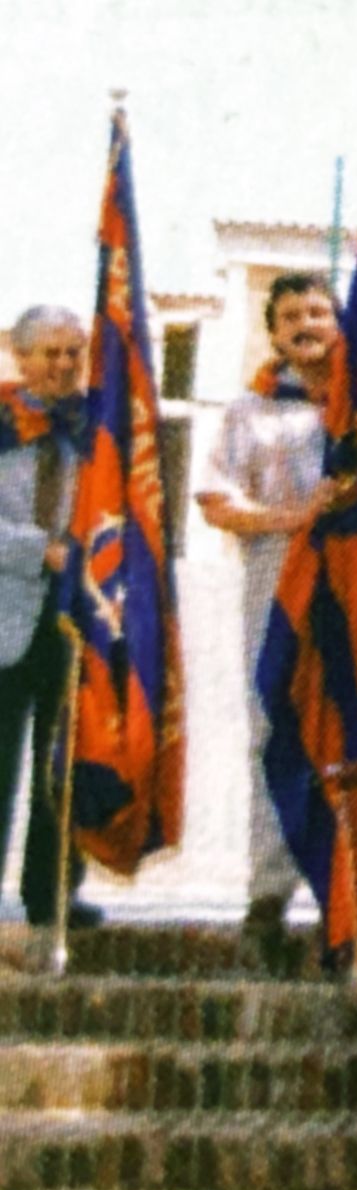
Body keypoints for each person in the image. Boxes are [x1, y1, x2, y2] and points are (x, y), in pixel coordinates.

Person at [196, 272, 342, 959]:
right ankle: (269, 893)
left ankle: (350, 901)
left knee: (355, 729)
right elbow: (217, 503)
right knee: (275, 730)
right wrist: (295, 518)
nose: (306, 324)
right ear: (274, 331)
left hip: (355, 594)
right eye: (291, 316)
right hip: (277, 589)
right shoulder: (249, 411)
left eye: (318, 311)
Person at [0, 306, 95, 928]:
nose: (63, 365)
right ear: (21, 355)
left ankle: (52, 892)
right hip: (6, 609)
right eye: (50, 352)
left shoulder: (99, 430)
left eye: (73, 352)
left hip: (74, 619)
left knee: (64, 761)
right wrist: (43, 550)